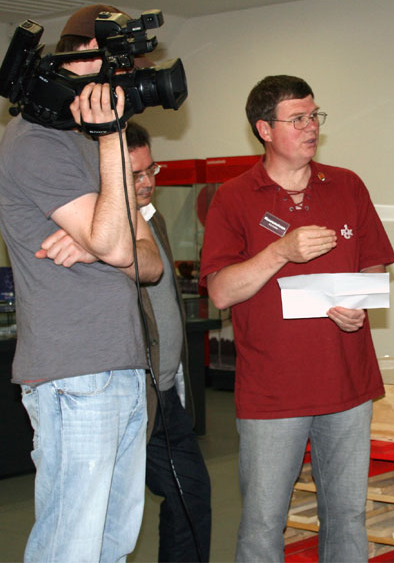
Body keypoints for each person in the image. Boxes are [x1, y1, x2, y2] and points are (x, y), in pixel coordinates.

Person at [199, 75, 394, 562]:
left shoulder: (347, 185)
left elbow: (372, 263)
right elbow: (221, 291)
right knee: (265, 522)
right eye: (298, 119)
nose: (311, 128)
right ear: (264, 129)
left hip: (347, 383)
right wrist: (281, 251)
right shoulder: (234, 197)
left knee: (347, 516)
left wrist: (359, 305)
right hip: (273, 391)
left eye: (315, 116)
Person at [0, 4, 163, 562]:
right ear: (87, 57)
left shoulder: (87, 143)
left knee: (112, 544)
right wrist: (104, 241)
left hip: (118, 367)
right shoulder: (36, 142)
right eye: (121, 66)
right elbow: (120, 246)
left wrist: (98, 240)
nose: (128, 81)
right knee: (73, 546)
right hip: (75, 375)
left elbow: (149, 262)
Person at [125, 121, 213, 562]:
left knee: (191, 498)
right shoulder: (100, 229)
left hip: (164, 397)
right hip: (129, 397)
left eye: (151, 170)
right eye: (135, 175)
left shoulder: (151, 217)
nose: (148, 183)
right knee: (111, 516)